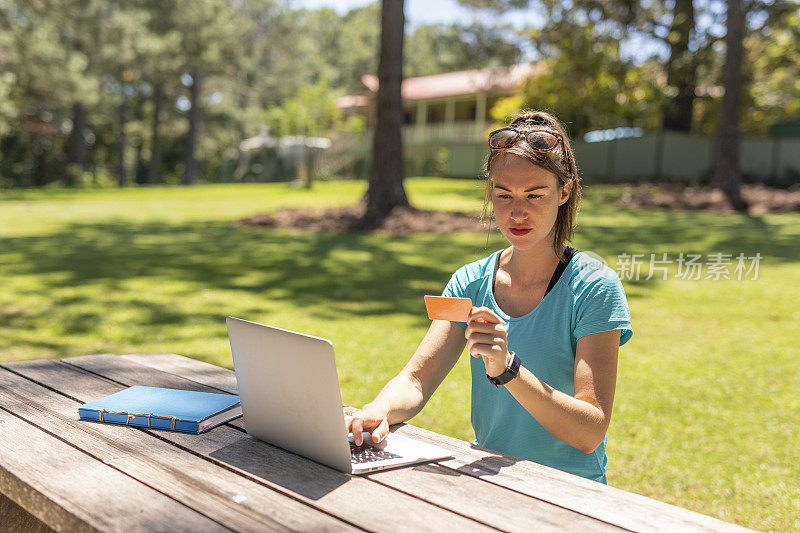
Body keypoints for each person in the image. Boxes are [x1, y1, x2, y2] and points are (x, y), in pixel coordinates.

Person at [345, 110, 633, 483]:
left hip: (570, 496)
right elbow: (416, 381)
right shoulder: (469, 281)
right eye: (503, 194)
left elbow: (589, 432)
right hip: (490, 484)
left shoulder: (595, 287)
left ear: (565, 191)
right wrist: (378, 409)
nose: (517, 211)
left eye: (535, 194)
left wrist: (507, 368)